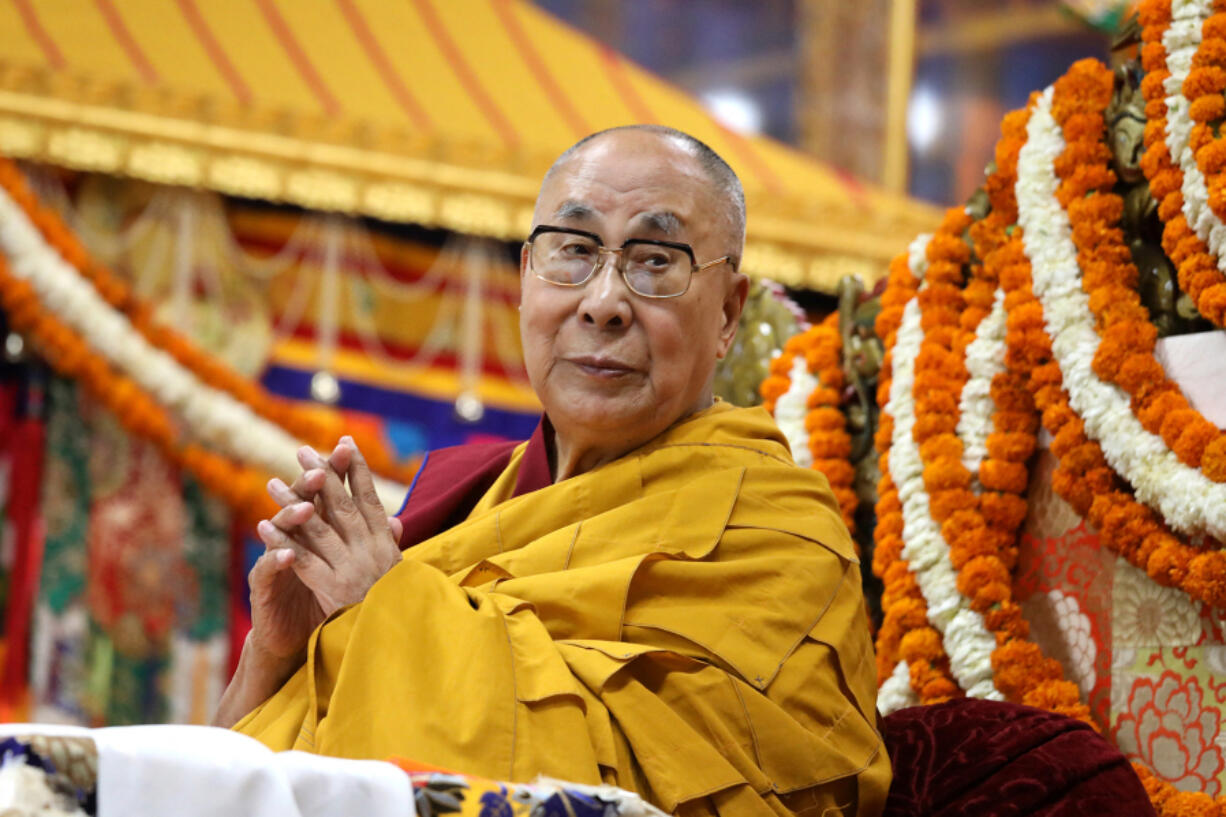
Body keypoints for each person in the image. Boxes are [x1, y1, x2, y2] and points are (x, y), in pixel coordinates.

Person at [214, 125, 890, 817]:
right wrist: (276, 655)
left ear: (728, 313)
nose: (602, 302)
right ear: (524, 280)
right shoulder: (459, 500)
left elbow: (683, 791)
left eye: (657, 261)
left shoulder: (776, 534)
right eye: (573, 251)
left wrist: (391, 616)